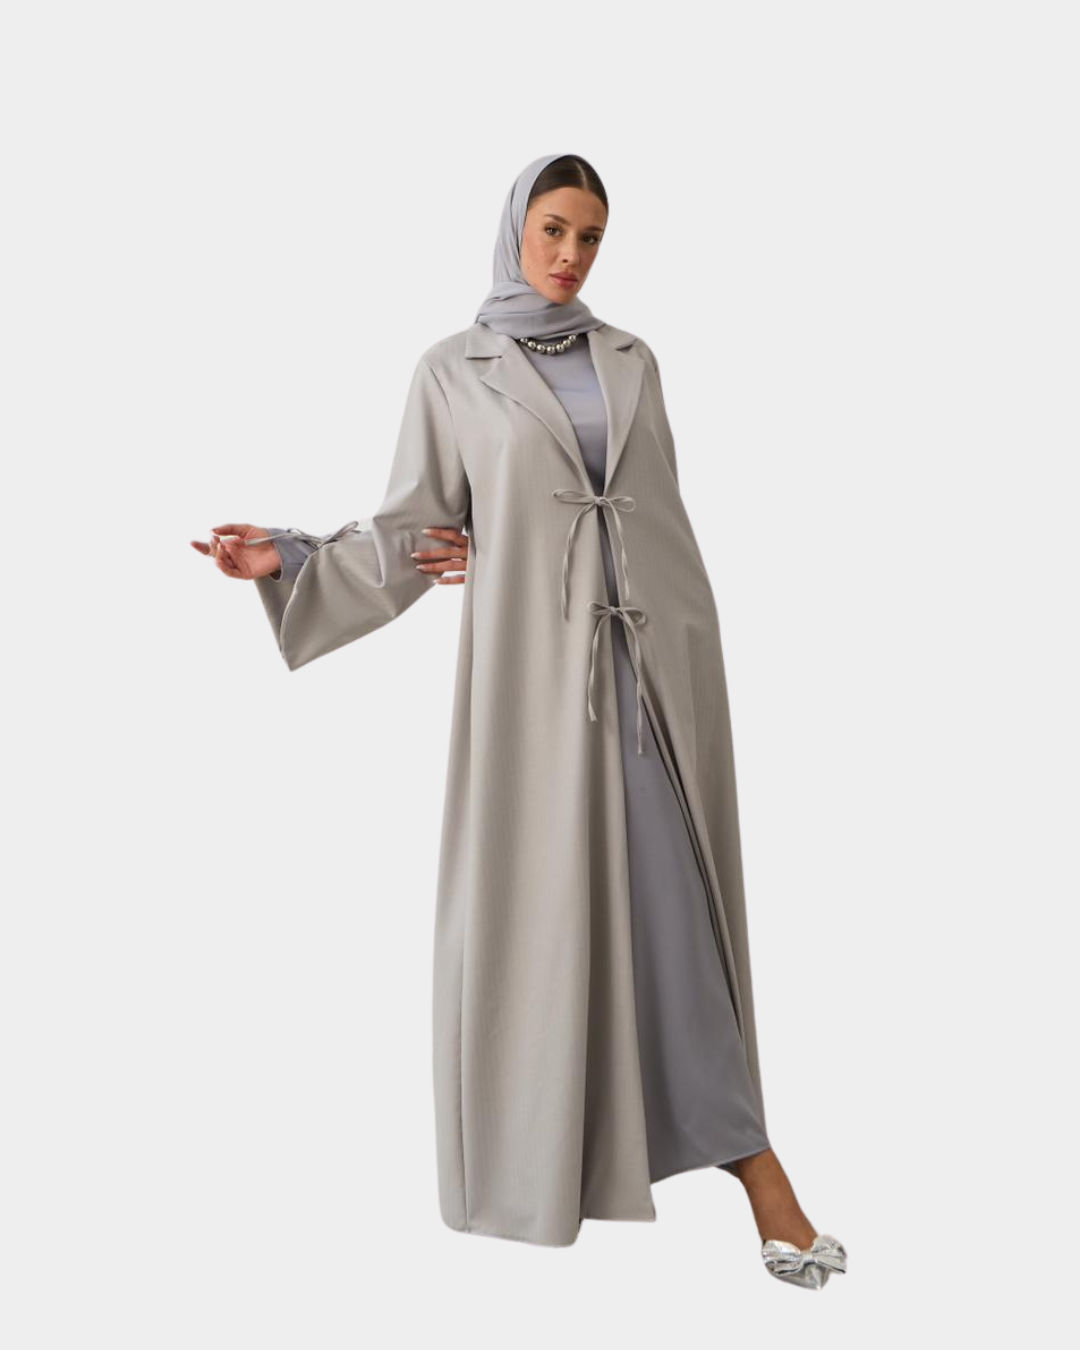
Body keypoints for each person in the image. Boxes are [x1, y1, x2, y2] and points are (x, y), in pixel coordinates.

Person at [191, 152, 847, 1287]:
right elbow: (417, 525)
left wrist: (541, 553)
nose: (569, 255)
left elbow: (654, 511)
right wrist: (290, 556)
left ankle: (753, 1163)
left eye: (590, 237)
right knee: (551, 913)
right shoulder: (453, 369)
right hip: (541, 677)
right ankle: (592, 1158)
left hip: (660, 664)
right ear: (514, 230)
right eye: (553, 229)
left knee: (676, 907)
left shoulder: (632, 357)